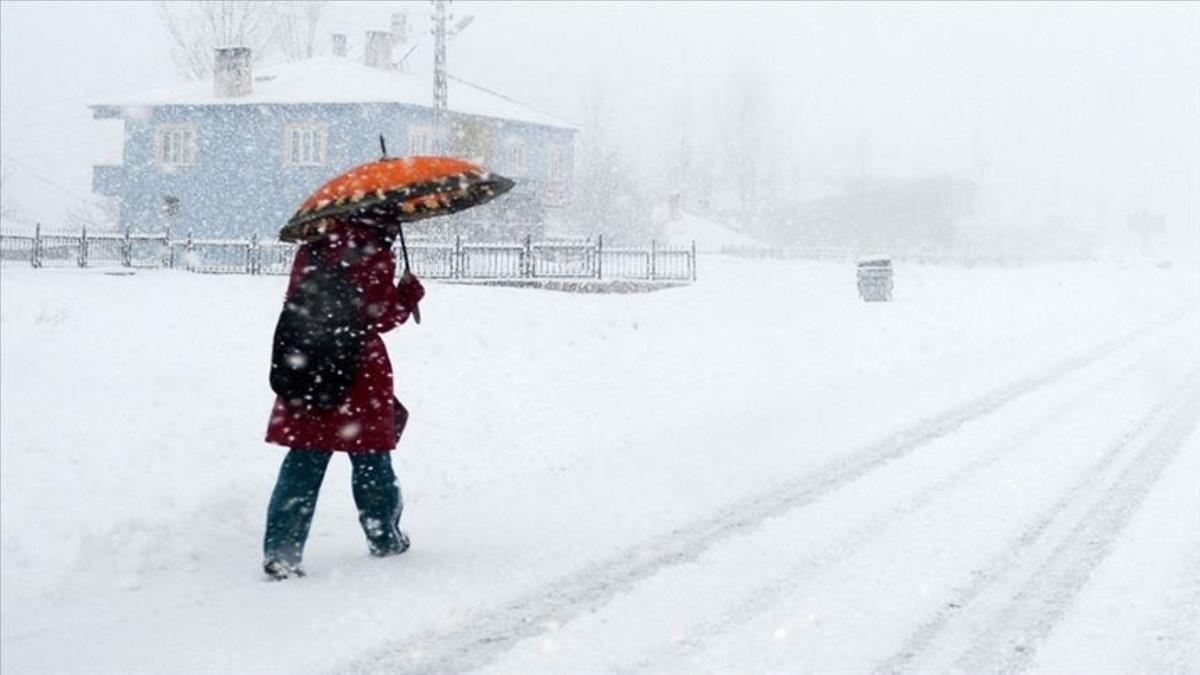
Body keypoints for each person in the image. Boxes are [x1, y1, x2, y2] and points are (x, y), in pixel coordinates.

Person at [262, 219, 424, 580]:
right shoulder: (373, 251)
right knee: (371, 459)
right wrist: (408, 296)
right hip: (357, 369)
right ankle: (385, 537)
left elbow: (296, 300)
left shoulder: (313, 245)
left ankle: (281, 551)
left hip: (311, 362)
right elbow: (380, 316)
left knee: (304, 460)